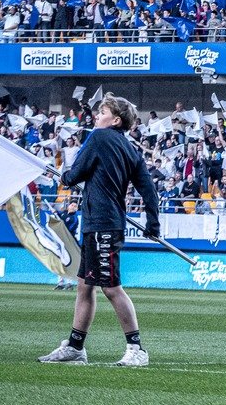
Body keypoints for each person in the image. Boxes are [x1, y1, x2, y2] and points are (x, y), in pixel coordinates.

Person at [39, 95, 163, 367]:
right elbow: (148, 190)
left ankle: (137, 349)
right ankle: (75, 347)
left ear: (116, 120)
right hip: (102, 223)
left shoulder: (98, 137)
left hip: (102, 224)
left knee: (111, 288)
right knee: (85, 286)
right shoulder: (130, 149)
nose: (96, 116)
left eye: (102, 112)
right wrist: (153, 224)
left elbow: (75, 174)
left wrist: (66, 177)